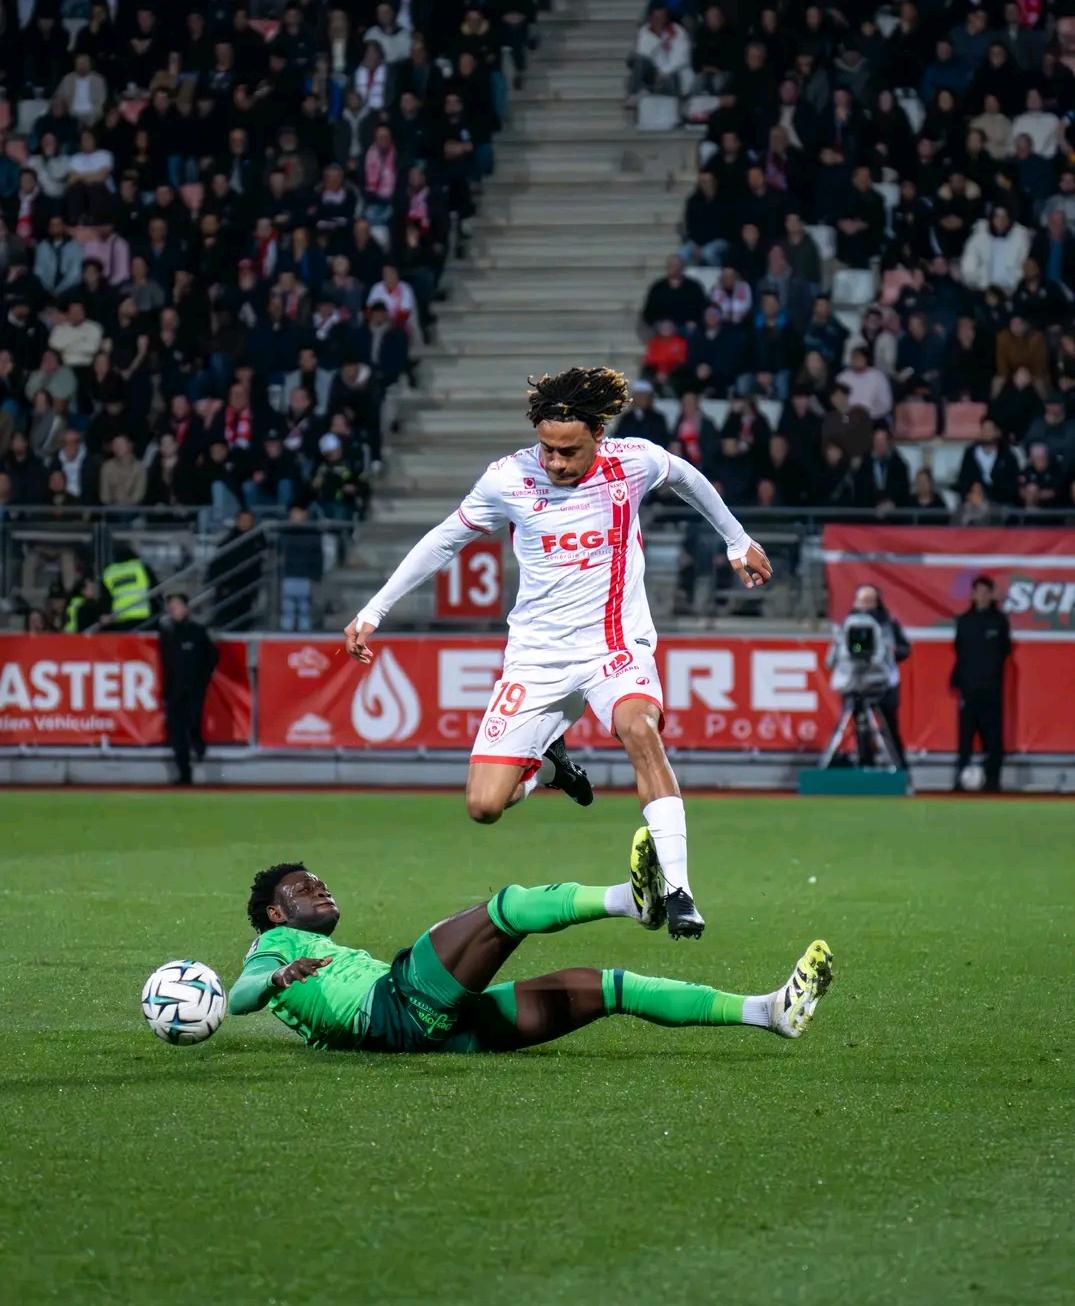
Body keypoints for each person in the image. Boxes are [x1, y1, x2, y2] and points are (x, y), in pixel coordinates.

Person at [343, 367, 773, 940]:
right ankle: (551, 764)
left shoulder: (633, 461)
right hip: (536, 658)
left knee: (640, 729)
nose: (555, 463)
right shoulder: (508, 478)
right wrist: (375, 609)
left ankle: (679, 891)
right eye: (547, 448)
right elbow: (445, 538)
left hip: (614, 646)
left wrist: (737, 540)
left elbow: (689, 479)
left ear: (598, 434)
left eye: (569, 452)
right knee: (484, 806)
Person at [229, 839, 834, 1053]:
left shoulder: (308, 948)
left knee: (606, 988)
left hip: (435, 1034)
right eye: (305, 888)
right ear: (278, 913)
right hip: (399, 1004)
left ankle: (767, 1011)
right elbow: (239, 997)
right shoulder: (275, 944)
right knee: (508, 907)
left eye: (320, 881)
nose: (321, 889)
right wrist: (276, 979)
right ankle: (631, 899)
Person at [951, 576, 1011, 793]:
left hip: (992, 690)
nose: (982, 595)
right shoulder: (965, 621)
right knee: (965, 739)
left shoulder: (999, 621)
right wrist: (959, 682)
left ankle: (994, 783)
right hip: (969, 689)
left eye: (987, 591)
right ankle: (960, 782)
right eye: (979, 591)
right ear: (973, 594)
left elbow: (1005, 651)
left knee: (993, 738)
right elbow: (959, 652)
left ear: (992, 594)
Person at [158, 593, 218, 787]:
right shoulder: (167, 633)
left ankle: (198, 744)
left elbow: (212, 656)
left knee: (192, 722)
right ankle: (185, 773)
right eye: (171, 606)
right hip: (174, 689)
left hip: (194, 688)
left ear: (186, 608)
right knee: (176, 733)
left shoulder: (197, 632)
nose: (174, 610)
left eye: (177, 605)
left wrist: (203, 679)